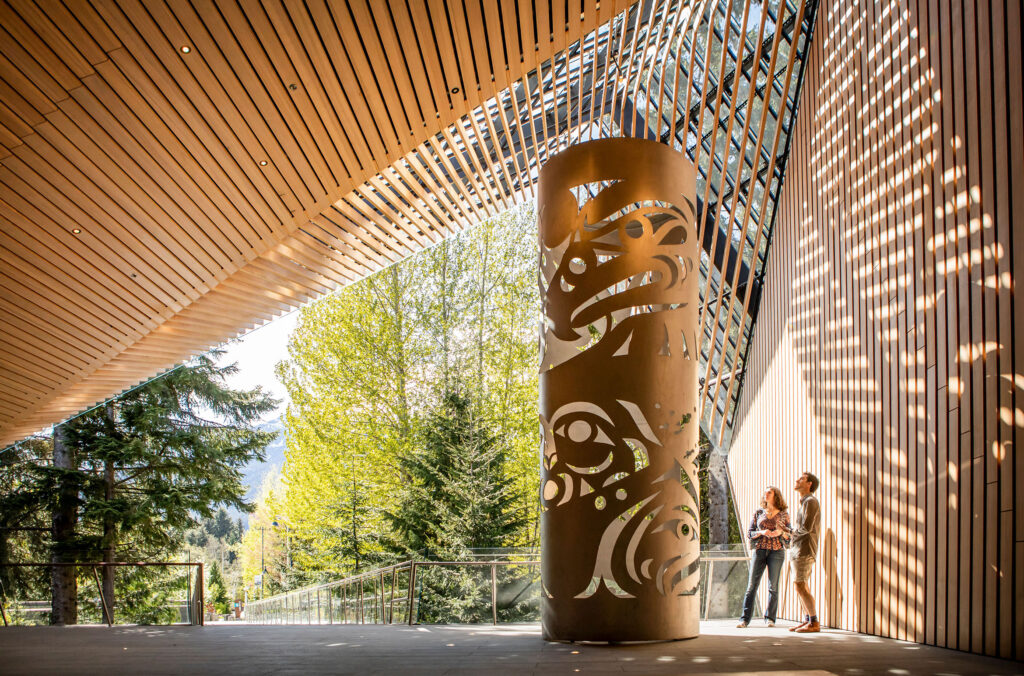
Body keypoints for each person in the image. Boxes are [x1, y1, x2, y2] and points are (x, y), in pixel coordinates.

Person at [736, 486, 791, 628]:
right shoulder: (758, 513)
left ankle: (770, 618)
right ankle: (744, 619)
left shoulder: (784, 514)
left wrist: (780, 533)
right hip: (760, 551)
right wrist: (762, 532)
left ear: (775, 496)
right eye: (765, 492)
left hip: (776, 552)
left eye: (769, 492)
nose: (765, 494)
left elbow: (789, 535)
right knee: (751, 586)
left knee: (773, 587)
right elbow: (750, 533)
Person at [789, 471, 821, 633]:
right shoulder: (804, 502)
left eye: (801, 479)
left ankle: (814, 622)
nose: (797, 480)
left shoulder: (811, 501)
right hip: (797, 549)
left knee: (800, 585)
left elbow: (806, 529)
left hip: (804, 549)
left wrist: (789, 531)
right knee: (800, 585)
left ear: (809, 484)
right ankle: (807, 619)